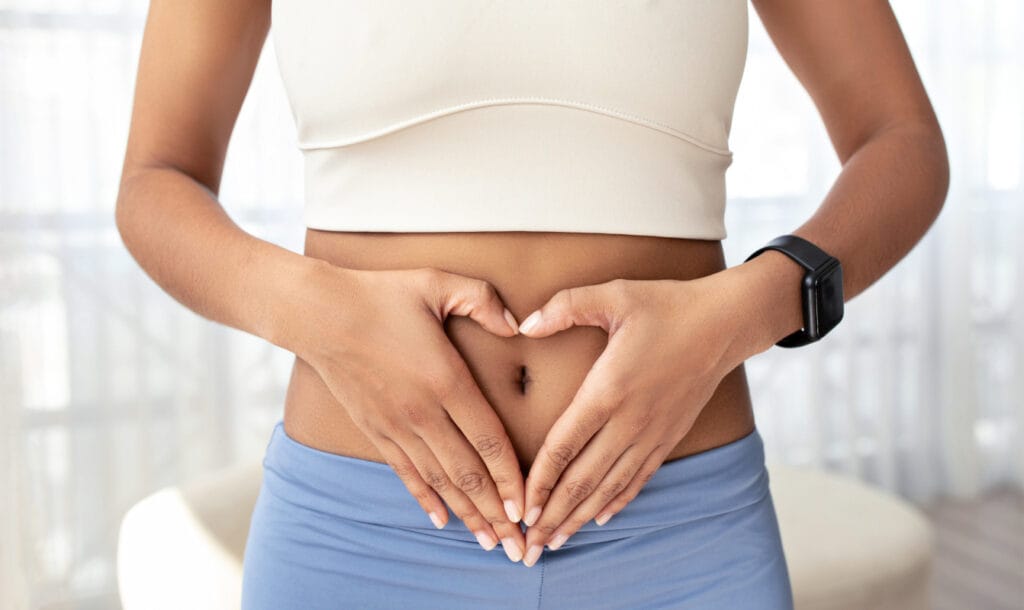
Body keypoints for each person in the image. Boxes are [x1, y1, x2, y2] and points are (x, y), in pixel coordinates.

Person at [114, 0, 949, 608]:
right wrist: (317, 312)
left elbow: (901, 143)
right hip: (361, 537)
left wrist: (738, 314)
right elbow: (156, 183)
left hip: (678, 534)